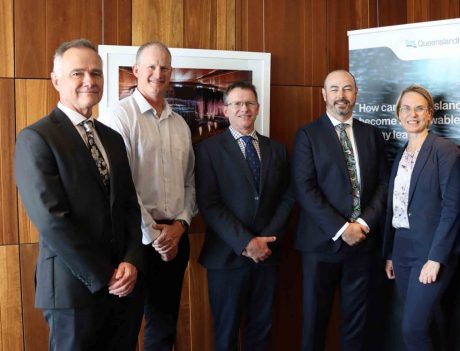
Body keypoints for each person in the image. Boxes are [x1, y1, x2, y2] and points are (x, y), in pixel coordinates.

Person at [14, 38, 144, 350]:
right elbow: (52, 220)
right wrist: (105, 275)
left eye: (96, 73)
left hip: (125, 289)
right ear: (56, 79)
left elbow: (129, 206)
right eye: (78, 73)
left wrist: (132, 261)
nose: (89, 81)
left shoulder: (111, 138)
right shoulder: (36, 138)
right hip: (73, 291)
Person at [99, 41, 197, 350]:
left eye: (165, 67)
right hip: (135, 241)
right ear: (136, 70)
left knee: (165, 325)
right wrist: (154, 235)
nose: (158, 73)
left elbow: (190, 181)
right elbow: (121, 184)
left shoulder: (180, 123)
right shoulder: (119, 116)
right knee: (125, 328)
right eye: (151, 67)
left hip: (176, 239)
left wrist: (180, 226)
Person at [292, 69, 388, 351]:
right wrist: (342, 228)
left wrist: (364, 224)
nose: (341, 95)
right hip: (320, 245)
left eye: (347, 89)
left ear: (356, 93)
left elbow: (384, 184)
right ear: (324, 95)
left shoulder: (372, 134)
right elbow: (304, 189)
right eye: (334, 89)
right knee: (314, 322)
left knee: (356, 326)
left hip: (362, 243)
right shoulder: (308, 135)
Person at [195, 81, 294, 350]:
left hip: (267, 257)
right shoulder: (208, 150)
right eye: (237, 104)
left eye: (249, 103)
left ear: (258, 108)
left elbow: (287, 197)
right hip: (226, 257)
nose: (244, 109)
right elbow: (209, 203)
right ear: (225, 110)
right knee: (225, 334)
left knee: (261, 333)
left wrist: (265, 241)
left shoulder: (277, 149)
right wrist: (246, 243)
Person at [382, 85, 460, 350]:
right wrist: (391, 253)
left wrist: (436, 258)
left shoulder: (444, 150)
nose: (412, 114)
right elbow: (396, 206)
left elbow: (453, 208)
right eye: (406, 108)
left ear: (430, 114)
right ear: (398, 114)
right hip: (403, 249)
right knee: (430, 323)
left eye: (419, 108)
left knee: (413, 328)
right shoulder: (402, 154)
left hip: (431, 251)